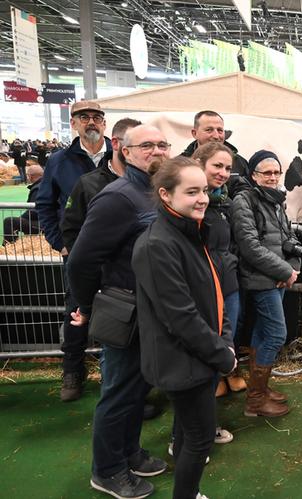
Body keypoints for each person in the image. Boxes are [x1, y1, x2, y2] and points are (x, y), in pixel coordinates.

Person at [68, 125, 170, 498]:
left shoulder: (152, 193)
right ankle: (107, 470)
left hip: (150, 311)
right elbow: (80, 260)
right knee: (119, 392)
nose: (156, 151)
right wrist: (88, 304)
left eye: (162, 144)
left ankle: (129, 452)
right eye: (146, 145)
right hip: (125, 310)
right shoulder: (119, 197)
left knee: (137, 389)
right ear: (123, 150)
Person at [133, 156, 236, 499]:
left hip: (200, 356)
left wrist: (224, 341)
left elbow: (213, 294)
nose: (203, 198)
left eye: (204, 190)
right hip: (184, 361)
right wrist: (223, 355)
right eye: (192, 191)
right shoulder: (156, 245)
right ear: (165, 195)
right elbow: (180, 317)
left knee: (196, 435)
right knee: (198, 438)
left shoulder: (190, 232)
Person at [35, 100, 111, 402]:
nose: (91, 122)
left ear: (104, 123)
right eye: (84, 118)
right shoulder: (59, 160)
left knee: (118, 309)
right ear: (74, 123)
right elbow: (45, 203)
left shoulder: (118, 155)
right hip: (78, 252)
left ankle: (113, 374)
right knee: (75, 310)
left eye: (96, 117)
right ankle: (73, 371)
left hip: (115, 251)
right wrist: (59, 241)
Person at [232, 150, 300, 418]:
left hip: (277, 278)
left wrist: (290, 267)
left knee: (262, 333)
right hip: (261, 279)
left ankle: (260, 388)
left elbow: (284, 237)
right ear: (253, 175)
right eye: (266, 173)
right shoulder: (244, 200)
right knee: (275, 334)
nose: (272, 177)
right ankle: (256, 401)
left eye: (276, 172)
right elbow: (249, 245)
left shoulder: (275, 200)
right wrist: (284, 270)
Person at [192, 143, 246, 398]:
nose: (223, 172)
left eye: (227, 168)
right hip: (203, 286)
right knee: (207, 340)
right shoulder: (192, 205)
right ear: (199, 163)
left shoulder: (225, 201)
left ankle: (224, 375)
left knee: (227, 335)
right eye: (217, 166)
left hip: (228, 282)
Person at [61, 118, 141, 251]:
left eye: (143, 145)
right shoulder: (87, 184)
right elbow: (71, 230)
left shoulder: (151, 181)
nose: (138, 150)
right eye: (133, 144)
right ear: (115, 143)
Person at [181, 110, 251, 196]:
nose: (216, 136)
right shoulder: (181, 164)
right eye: (209, 130)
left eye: (220, 130)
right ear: (194, 133)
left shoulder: (240, 163)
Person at [2, 165, 43, 245]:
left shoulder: (38, 189)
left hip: (43, 224)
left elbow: (34, 211)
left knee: (9, 221)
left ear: (31, 176)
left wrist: (20, 219)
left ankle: (9, 247)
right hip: (50, 221)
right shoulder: (47, 185)